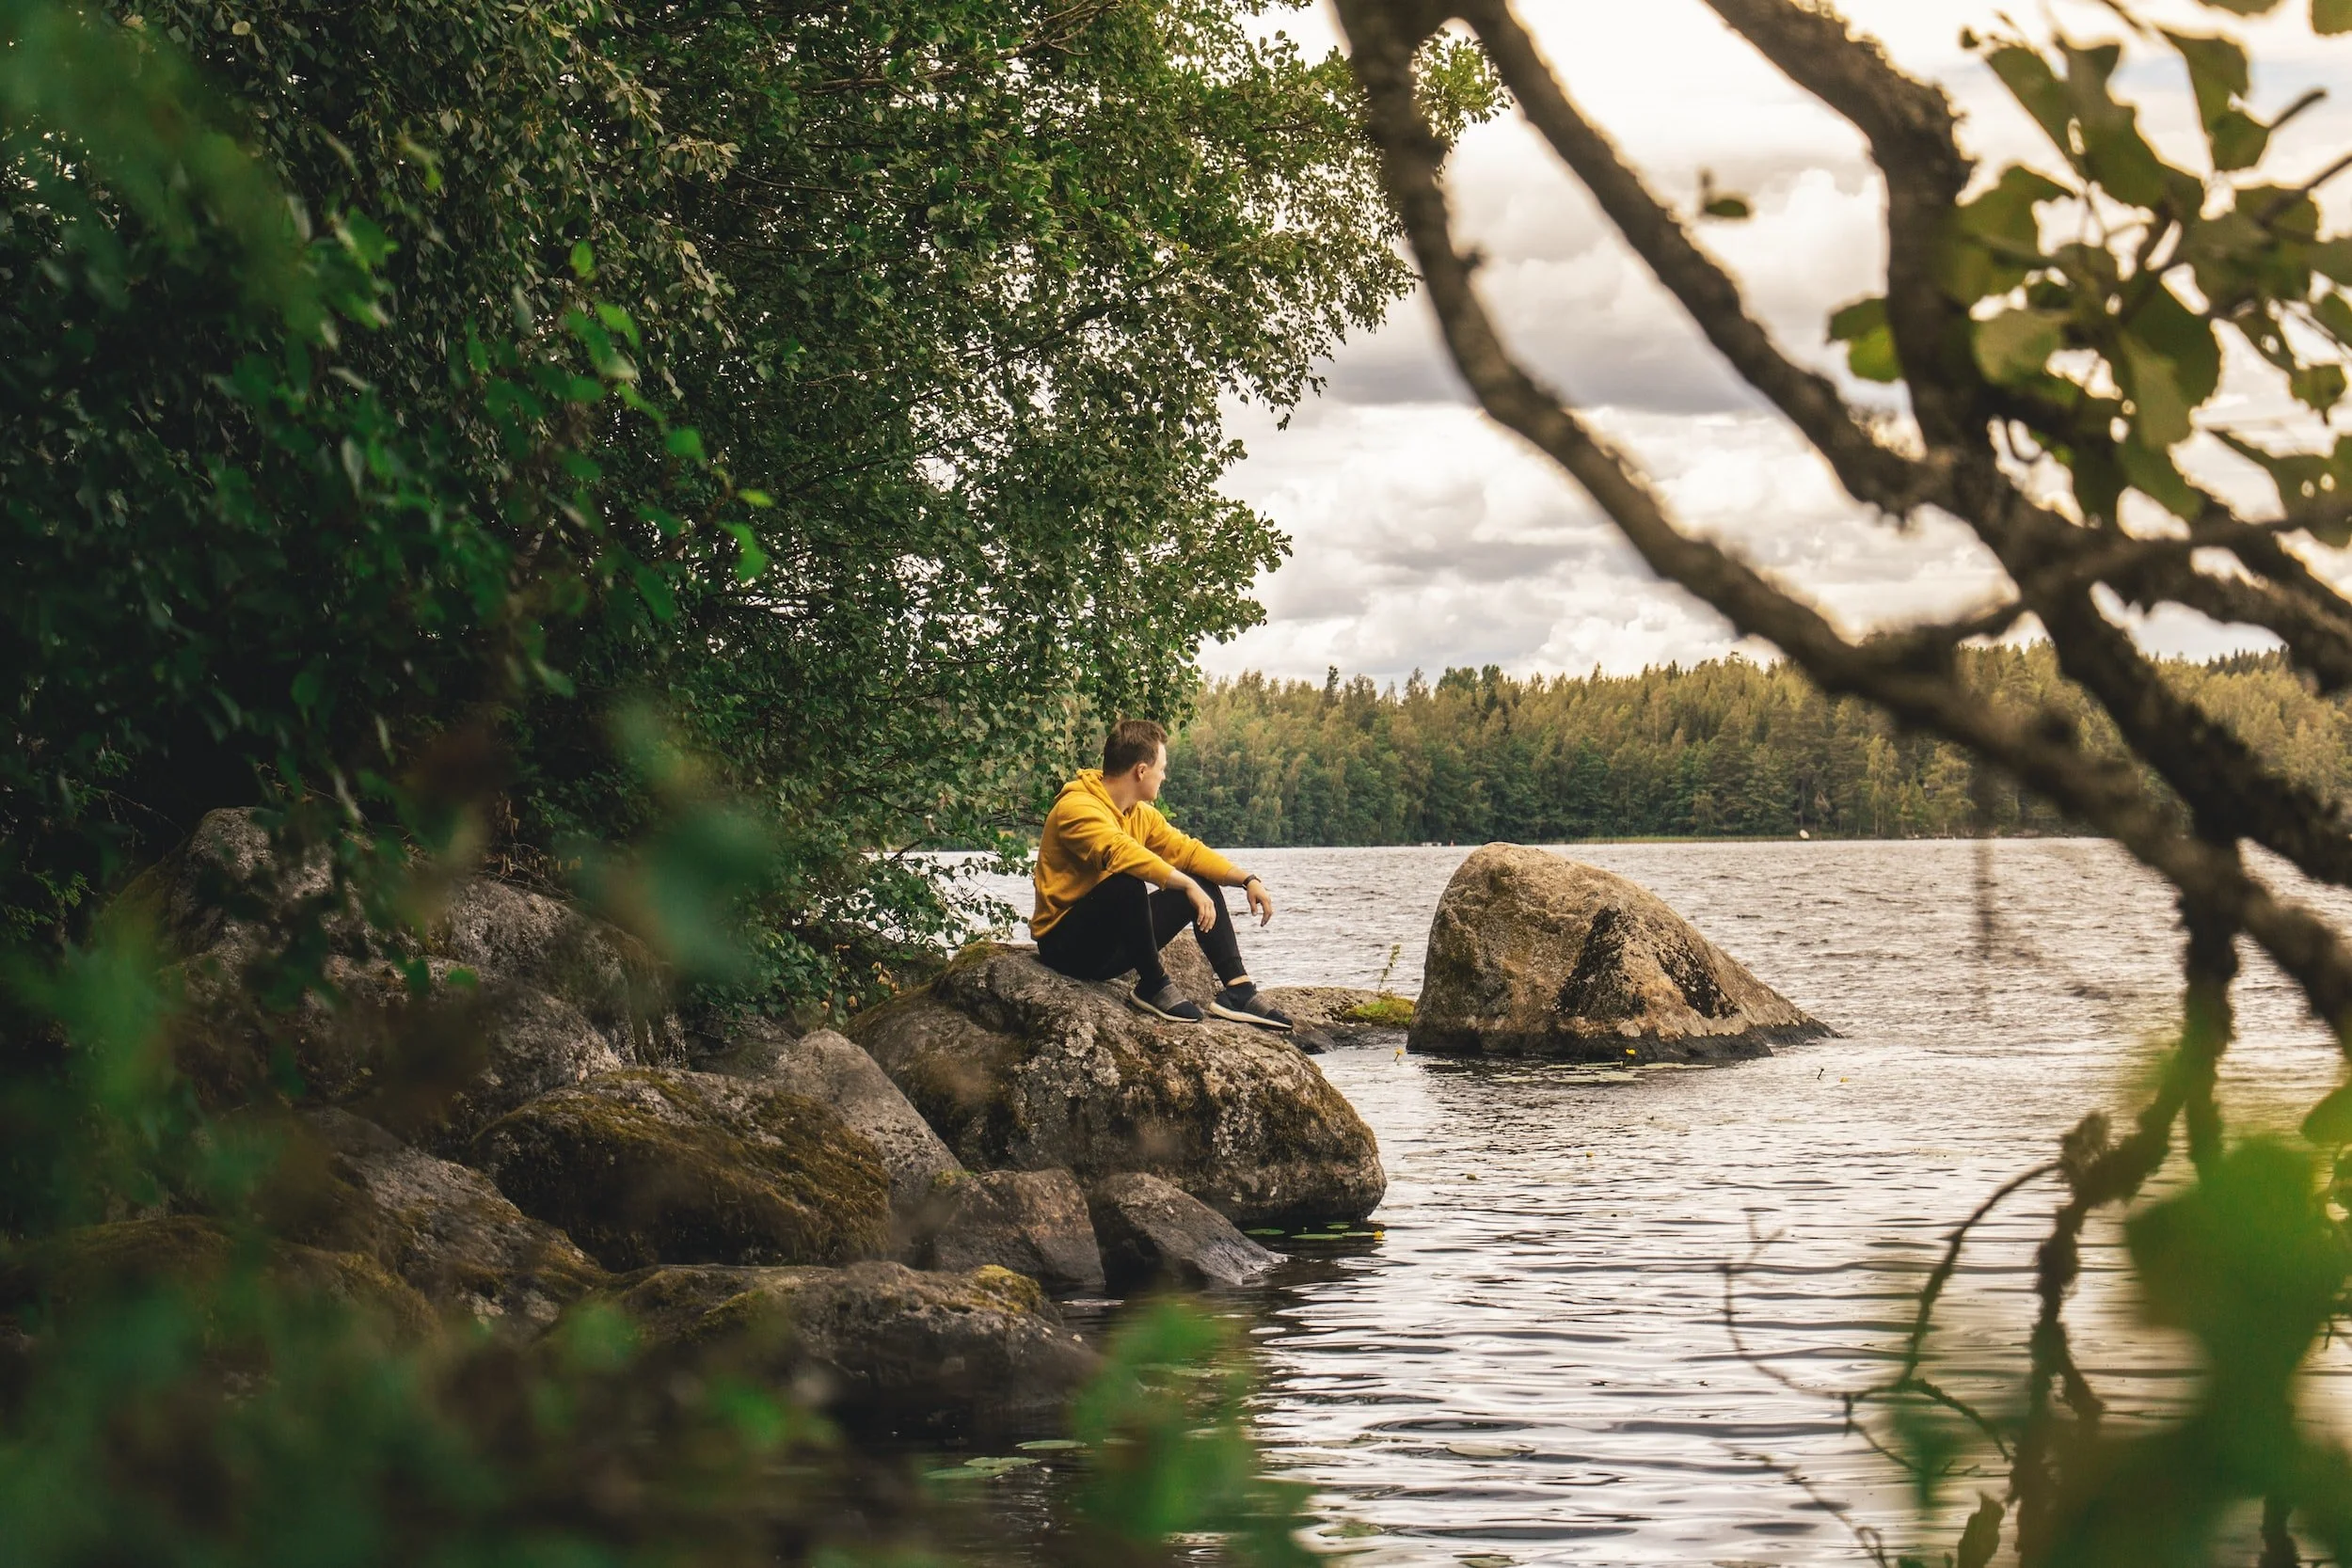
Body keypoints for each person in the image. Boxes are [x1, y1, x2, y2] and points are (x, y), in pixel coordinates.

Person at [1030, 720, 1294, 1030]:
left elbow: (1187, 851)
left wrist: (1247, 879)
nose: (1164, 775)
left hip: (1110, 946)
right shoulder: (1076, 808)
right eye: (1162, 767)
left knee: (1201, 883)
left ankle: (1238, 991)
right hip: (1066, 947)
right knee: (1127, 884)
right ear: (1141, 770)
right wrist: (1183, 882)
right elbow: (1119, 852)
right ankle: (1152, 984)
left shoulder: (1139, 814)